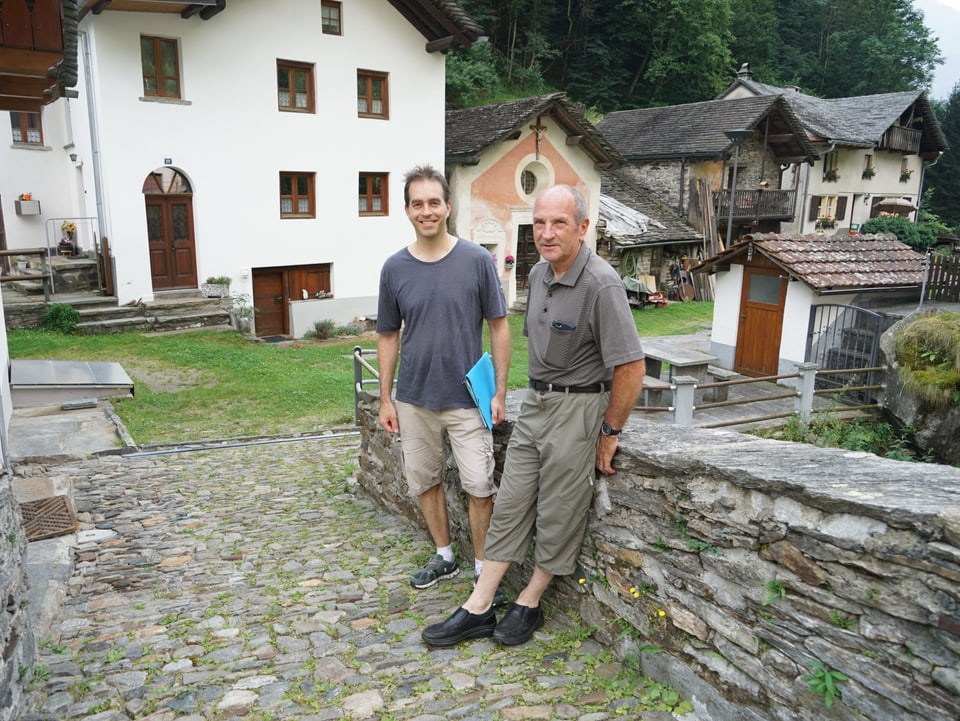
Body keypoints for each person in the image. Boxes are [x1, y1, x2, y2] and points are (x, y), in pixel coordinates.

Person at [421, 183, 646, 647]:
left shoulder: (601, 283)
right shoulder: (540, 273)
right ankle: (479, 605)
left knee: (560, 510)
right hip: (536, 404)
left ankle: (529, 601)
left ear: (583, 227)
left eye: (558, 223)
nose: (546, 232)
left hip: (579, 407)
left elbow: (631, 365)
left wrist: (610, 431)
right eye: (540, 222)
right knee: (510, 502)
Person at [377, 164, 510, 600]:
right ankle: (444, 556)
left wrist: (500, 393)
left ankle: (481, 568)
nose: (427, 211)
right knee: (424, 481)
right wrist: (386, 399)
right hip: (414, 398)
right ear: (407, 210)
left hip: (468, 398)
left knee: (478, 485)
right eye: (418, 204)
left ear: (448, 207)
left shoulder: (475, 260)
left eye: (434, 202)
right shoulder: (394, 268)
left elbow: (499, 327)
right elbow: (387, 335)